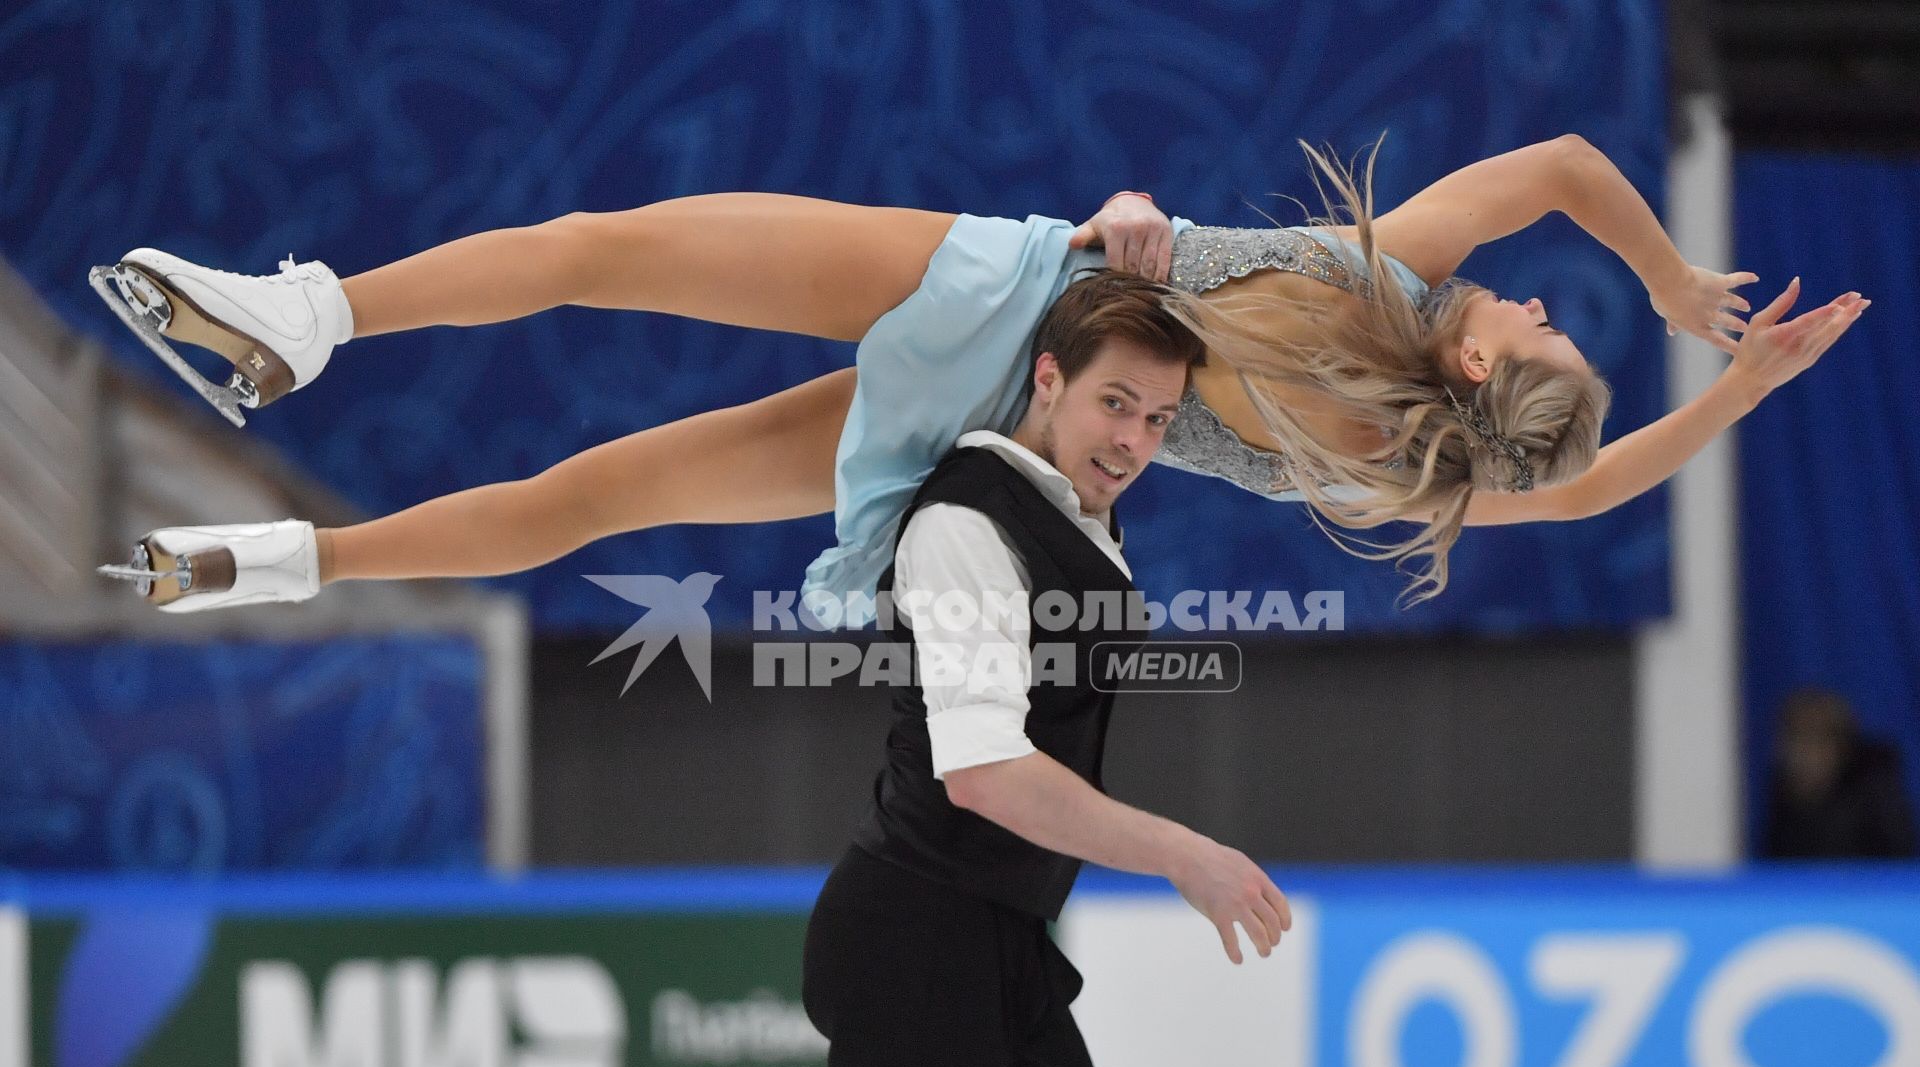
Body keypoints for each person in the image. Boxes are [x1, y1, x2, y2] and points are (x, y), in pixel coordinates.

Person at [92, 136, 1865, 615]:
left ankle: (309, 317)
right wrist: (1748, 400)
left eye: (1555, 326)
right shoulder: (1403, 475)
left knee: (605, 249)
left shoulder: (1396, 275)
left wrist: (1677, 287)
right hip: (985, 433)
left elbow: (1562, 155)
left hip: (997, 296)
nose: (1553, 307)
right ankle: (277, 565)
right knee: (600, 504)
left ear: (1480, 350)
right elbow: (1595, 481)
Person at [802, 268, 1288, 1067]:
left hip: (998, 945)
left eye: (1159, 418)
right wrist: (1182, 854)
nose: (1135, 440)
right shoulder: (965, 527)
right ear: (1049, 378)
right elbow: (985, 773)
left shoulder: (1071, 512)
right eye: (1117, 403)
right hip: (915, 942)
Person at [1761, 687, 1916, 861]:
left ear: (1843, 746)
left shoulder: (1876, 793)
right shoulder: (1781, 796)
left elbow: (1900, 860)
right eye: (1797, 738)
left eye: (1819, 739)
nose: (1806, 754)